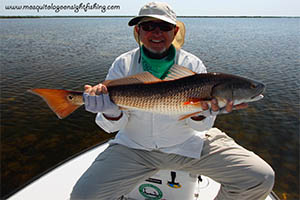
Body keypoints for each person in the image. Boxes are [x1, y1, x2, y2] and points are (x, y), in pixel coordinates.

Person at [70, 2, 274, 200]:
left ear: (174, 32)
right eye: (148, 26)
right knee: (82, 196)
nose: (156, 33)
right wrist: (110, 112)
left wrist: (203, 112)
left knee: (260, 178)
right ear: (138, 32)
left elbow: (201, 126)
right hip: (134, 148)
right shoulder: (123, 64)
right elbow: (110, 127)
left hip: (186, 145)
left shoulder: (192, 64)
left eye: (164, 26)